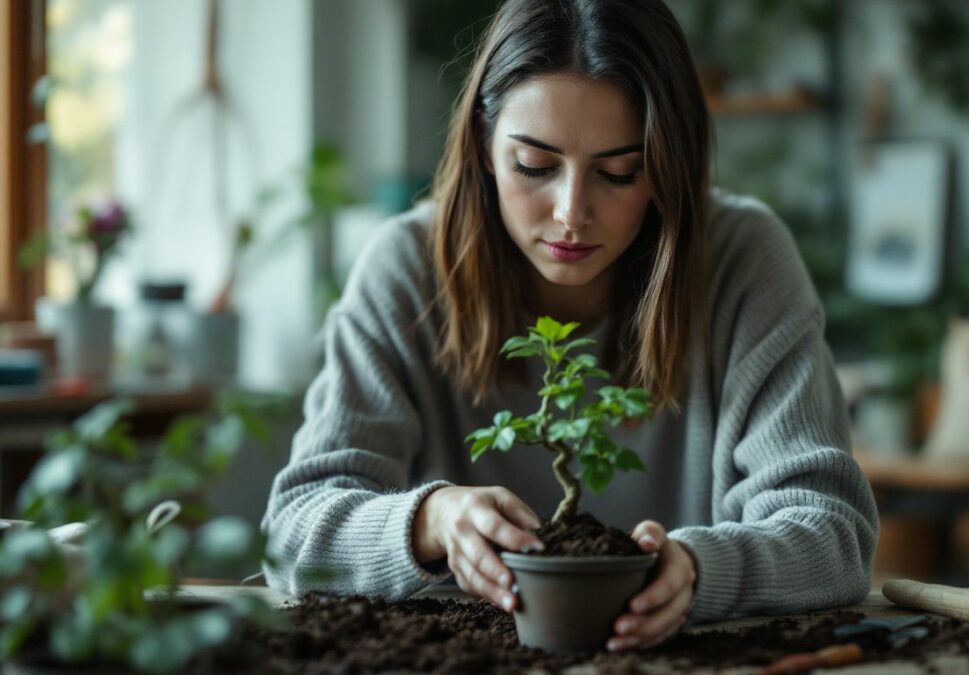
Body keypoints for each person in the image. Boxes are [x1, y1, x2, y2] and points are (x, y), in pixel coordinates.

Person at [262, 0, 879, 652]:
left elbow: (833, 536)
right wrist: (432, 519)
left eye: (620, 172)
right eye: (534, 165)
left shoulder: (743, 261)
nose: (571, 213)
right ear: (483, 145)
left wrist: (703, 568)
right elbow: (291, 534)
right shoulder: (406, 270)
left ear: (667, 166)